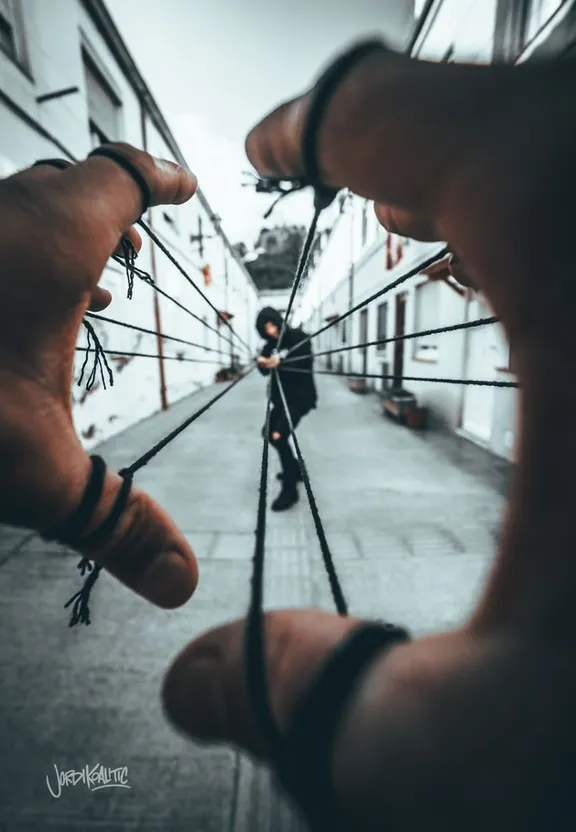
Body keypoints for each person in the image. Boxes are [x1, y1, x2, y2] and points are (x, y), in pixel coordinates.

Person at [0, 37, 575, 827]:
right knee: (279, 443)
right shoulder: (280, 338)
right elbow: (274, 356)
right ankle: (286, 472)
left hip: (291, 403)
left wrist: (278, 372)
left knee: (282, 441)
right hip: (283, 401)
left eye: (271, 320)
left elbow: (289, 364)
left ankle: (287, 473)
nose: (269, 322)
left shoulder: (294, 341)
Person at [255, 306, 317, 511]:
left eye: (273, 325)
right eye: (266, 329)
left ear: (279, 321)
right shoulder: (269, 345)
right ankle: (295, 468)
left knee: (278, 435)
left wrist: (280, 361)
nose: (271, 331)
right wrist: (263, 363)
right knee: (267, 433)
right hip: (281, 400)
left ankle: (290, 490)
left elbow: (304, 360)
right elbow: (263, 369)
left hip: (300, 398)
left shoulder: (299, 337)